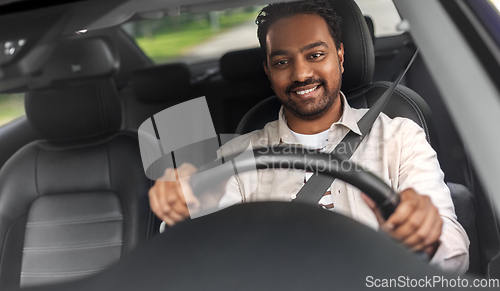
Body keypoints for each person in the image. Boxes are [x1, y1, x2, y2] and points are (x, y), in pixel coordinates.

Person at [148, 0, 469, 274]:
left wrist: (425, 238)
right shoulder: (236, 157)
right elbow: (207, 263)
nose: (301, 74)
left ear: (340, 56)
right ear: (268, 71)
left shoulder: (400, 137)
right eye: (283, 62)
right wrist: (191, 209)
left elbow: (455, 253)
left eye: (315, 55)